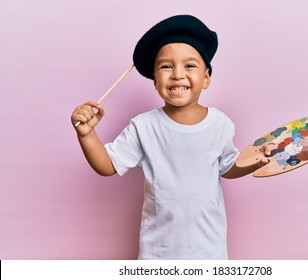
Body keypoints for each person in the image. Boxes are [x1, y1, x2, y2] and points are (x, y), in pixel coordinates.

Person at [71, 15, 272, 259]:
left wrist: (254, 161)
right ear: (155, 81)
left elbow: (228, 167)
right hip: (158, 252)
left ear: (206, 78)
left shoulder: (220, 123)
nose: (177, 74)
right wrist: (87, 134)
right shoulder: (143, 126)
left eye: (189, 66)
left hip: (209, 250)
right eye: (166, 66)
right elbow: (107, 165)